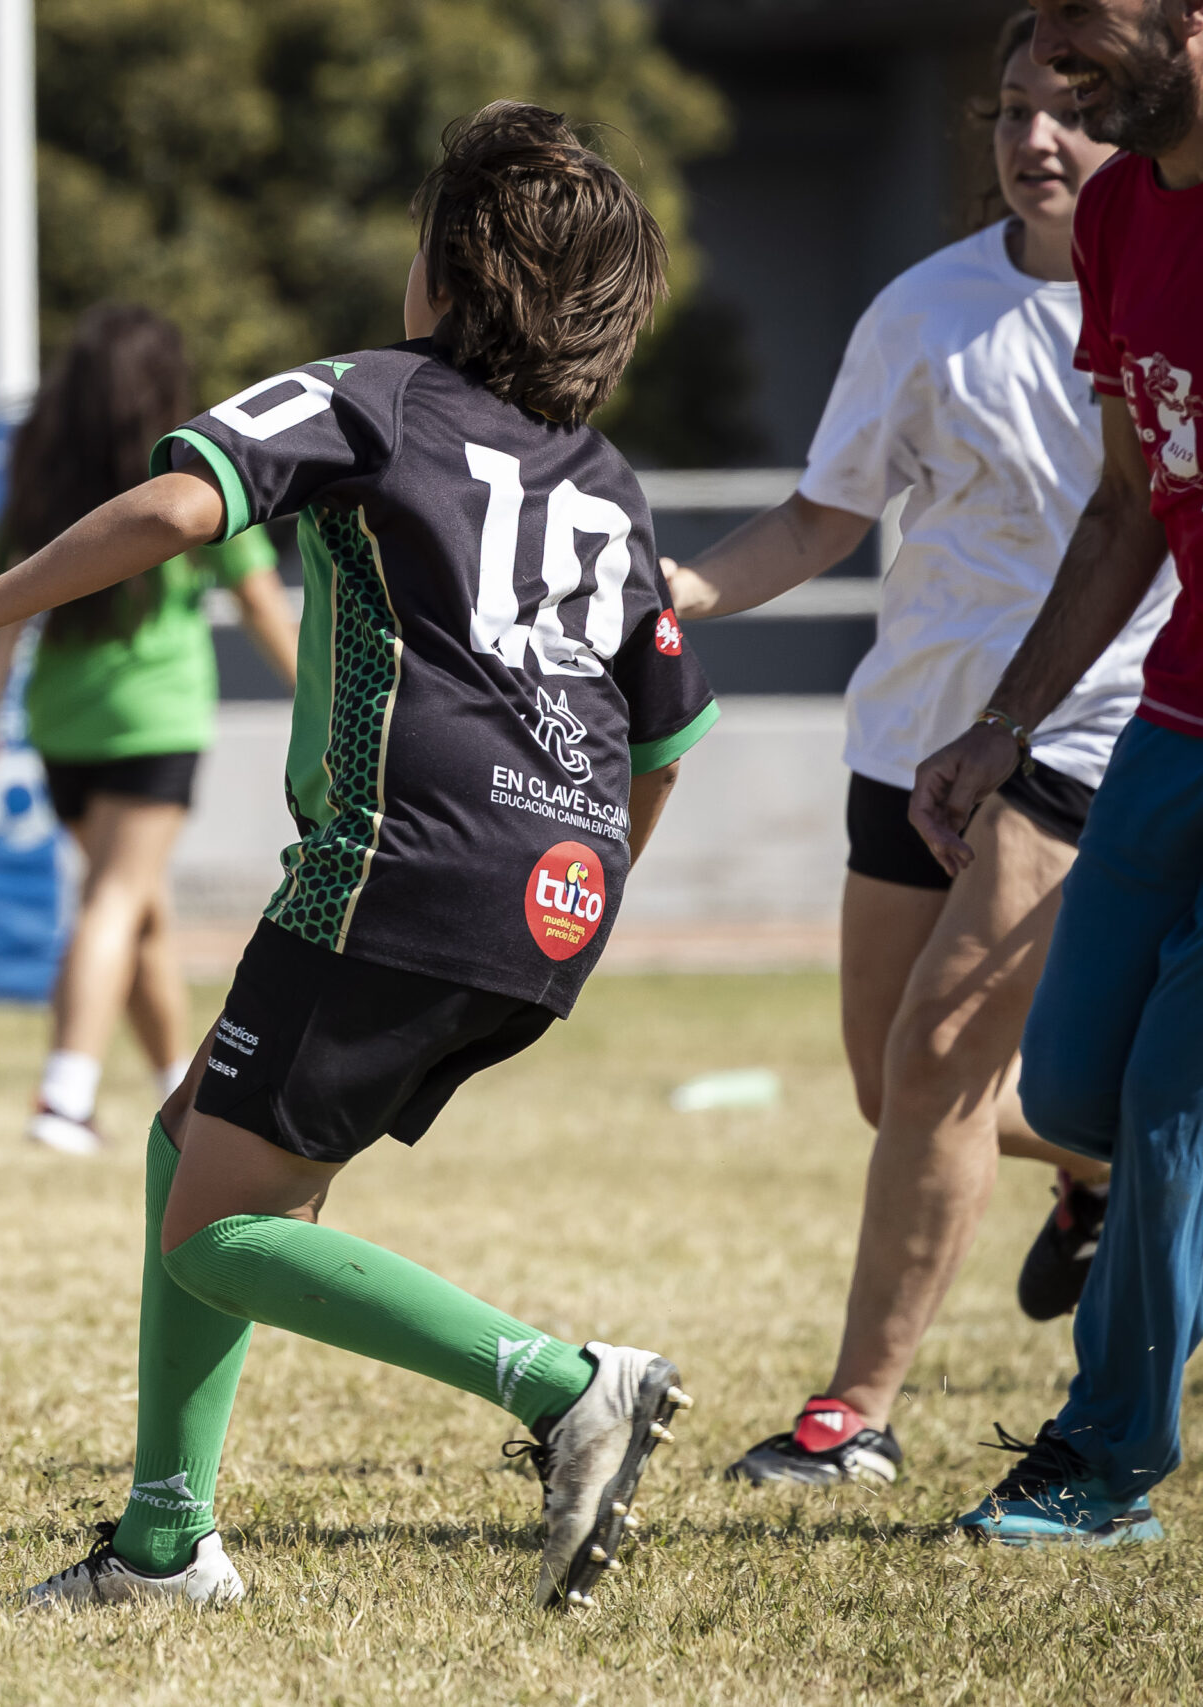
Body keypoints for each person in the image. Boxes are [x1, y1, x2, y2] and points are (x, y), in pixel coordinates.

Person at [0, 103, 716, 1610]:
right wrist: (582, 889)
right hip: (558, 900)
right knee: (190, 1135)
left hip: (398, 868)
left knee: (222, 1227)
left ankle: (561, 1384)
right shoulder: (607, 479)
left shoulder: (379, 394)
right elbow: (661, 739)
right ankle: (160, 1539)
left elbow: (173, 503)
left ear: (448, 270)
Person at [667, 13, 1174, 1488]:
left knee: (944, 1055)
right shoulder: (920, 312)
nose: (1036, 138)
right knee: (895, 1085)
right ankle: (1093, 1164)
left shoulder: (1164, 292)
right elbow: (826, 512)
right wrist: (693, 586)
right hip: (906, 742)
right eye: (1014, 109)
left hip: (1081, 727)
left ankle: (854, 1413)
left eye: (1071, 108)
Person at [909, 0, 1203, 1549]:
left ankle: (1102, 1464)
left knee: (1166, 1102)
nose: (1056, 100)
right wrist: (1000, 723)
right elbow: (1124, 506)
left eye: (1085, 59)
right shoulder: (1117, 218)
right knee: (1076, 1085)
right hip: (1175, 718)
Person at [0, 304, 298, 1157]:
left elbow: (11, 598)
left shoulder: (40, 477)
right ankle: (64, 1096)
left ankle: (177, 1088)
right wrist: (324, 691)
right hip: (153, 720)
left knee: (140, 906)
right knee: (115, 900)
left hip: (62, 725)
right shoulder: (187, 478)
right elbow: (258, 598)